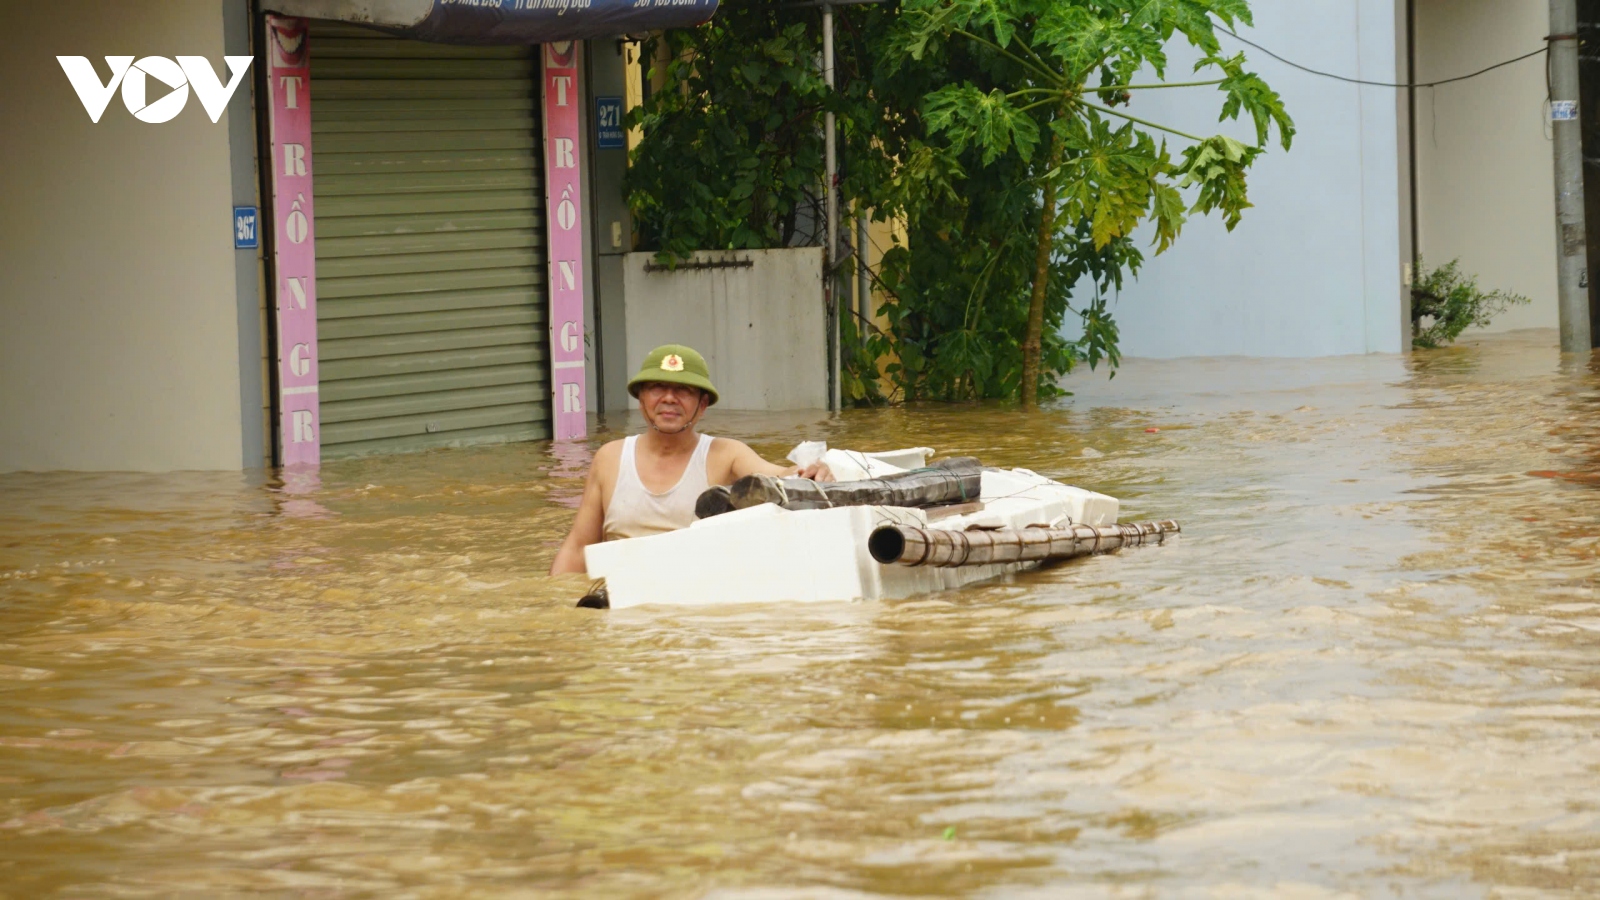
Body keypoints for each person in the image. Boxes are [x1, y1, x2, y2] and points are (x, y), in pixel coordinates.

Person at [549, 344, 831, 575]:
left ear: (703, 404)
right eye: (658, 387)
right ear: (641, 399)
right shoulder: (609, 458)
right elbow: (578, 547)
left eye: (683, 390)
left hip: (692, 597)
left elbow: (778, 476)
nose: (669, 398)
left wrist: (811, 471)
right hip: (621, 598)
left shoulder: (725, 455)